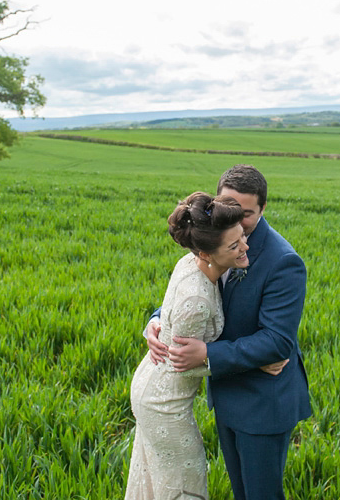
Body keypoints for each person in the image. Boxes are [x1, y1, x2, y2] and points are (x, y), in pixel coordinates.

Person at [146, 165, 311, 500]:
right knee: (240, 492)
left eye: (246, 213)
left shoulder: (282, 261)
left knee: (261, 495)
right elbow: (192, 292)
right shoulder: (211, 242)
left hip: (263, 401)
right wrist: (157, 321)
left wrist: (208, 354)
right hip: (226, 393)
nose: (236, 219)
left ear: (263, 208)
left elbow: (278, 341)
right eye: (228, 207)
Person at [126, 191, 258, 500]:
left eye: (242, 237)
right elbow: (183, 366)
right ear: (208, 254)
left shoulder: (191, 261)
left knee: (161, 475)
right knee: (185, 481)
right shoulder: (196, 300)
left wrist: (156, 324)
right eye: (234, 245)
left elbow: (169, 317)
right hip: (163, 401)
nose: (245, 247)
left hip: (153, 383)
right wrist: (257, 361)